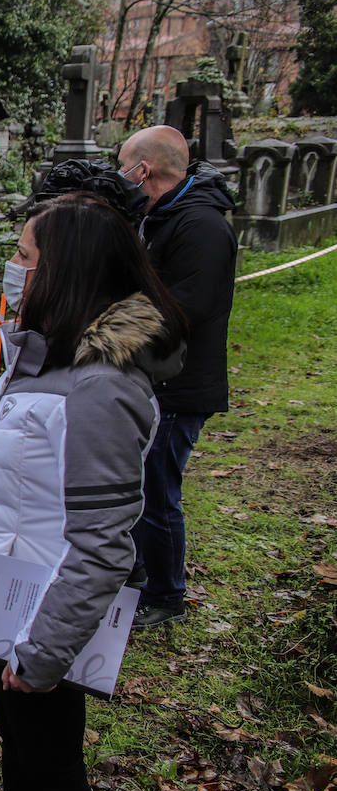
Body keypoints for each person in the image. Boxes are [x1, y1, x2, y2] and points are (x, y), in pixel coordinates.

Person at [0, 193, 185, 791]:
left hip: (47, 613)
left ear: (64, 271)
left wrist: (44, 653)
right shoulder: (41, 354)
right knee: (19, 743)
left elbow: (103, 546)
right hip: (0, 601)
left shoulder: (100, 389)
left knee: (55, 766)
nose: (11, 268)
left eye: (24, 256)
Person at [117, 125, 238, 628]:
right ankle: (139, 569)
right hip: (151, 379)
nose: (120, 177)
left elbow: (184, 307)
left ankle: (167, 597)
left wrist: (104, 331)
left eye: (124, 167)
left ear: (143, 170)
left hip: (179, 385)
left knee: (156, 488)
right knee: (136, 484)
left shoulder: (201, 226)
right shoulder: (161, 216)